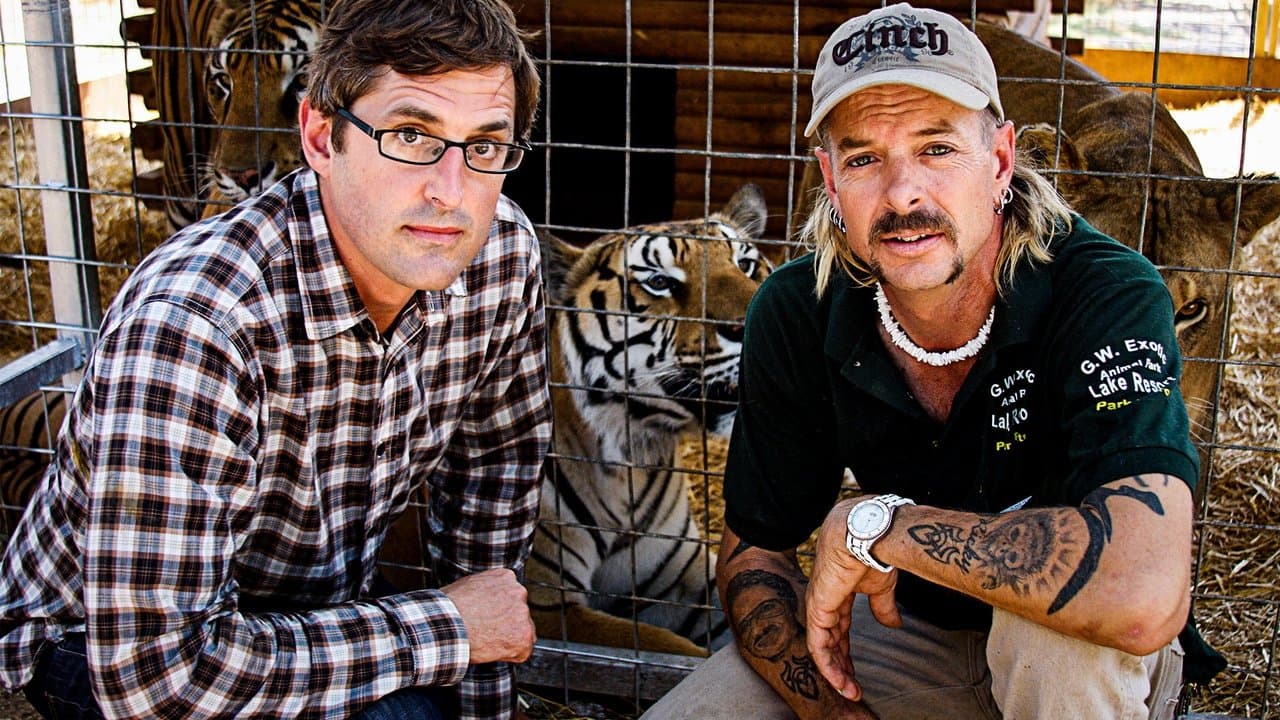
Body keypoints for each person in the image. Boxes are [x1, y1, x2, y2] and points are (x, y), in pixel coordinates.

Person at [642, 4, 1222, 719]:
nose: (902, 194)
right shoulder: (800, 306)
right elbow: (754, 554)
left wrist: (880, 526)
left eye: (937, 149)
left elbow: (1139, 596)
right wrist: (831, 710)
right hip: (906, 627)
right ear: (830, 179)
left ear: (1002, 161)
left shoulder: (1107, 290)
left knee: (1056, 654)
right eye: (863, 158)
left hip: (1076, 632)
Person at [0, 0, 550, 718]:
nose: (452, 192)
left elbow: (493, 492)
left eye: (484, 145)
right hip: (103, 646)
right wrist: (447, 629)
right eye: (411, 136)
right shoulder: (193, 325)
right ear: (320, 137)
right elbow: (151, 680)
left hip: (313, 607)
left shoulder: (500, 256)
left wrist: (479, 693)